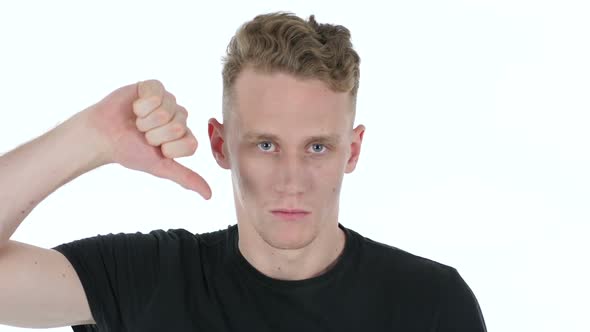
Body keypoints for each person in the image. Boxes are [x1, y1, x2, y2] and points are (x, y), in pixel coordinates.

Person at [0, 12, 487, 331]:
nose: (291, 178)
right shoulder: (148, 280)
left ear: (352, 151)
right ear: (220, 143)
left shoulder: (431, 304)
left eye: (317, 146)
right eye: (266, 144)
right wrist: (91, 137)